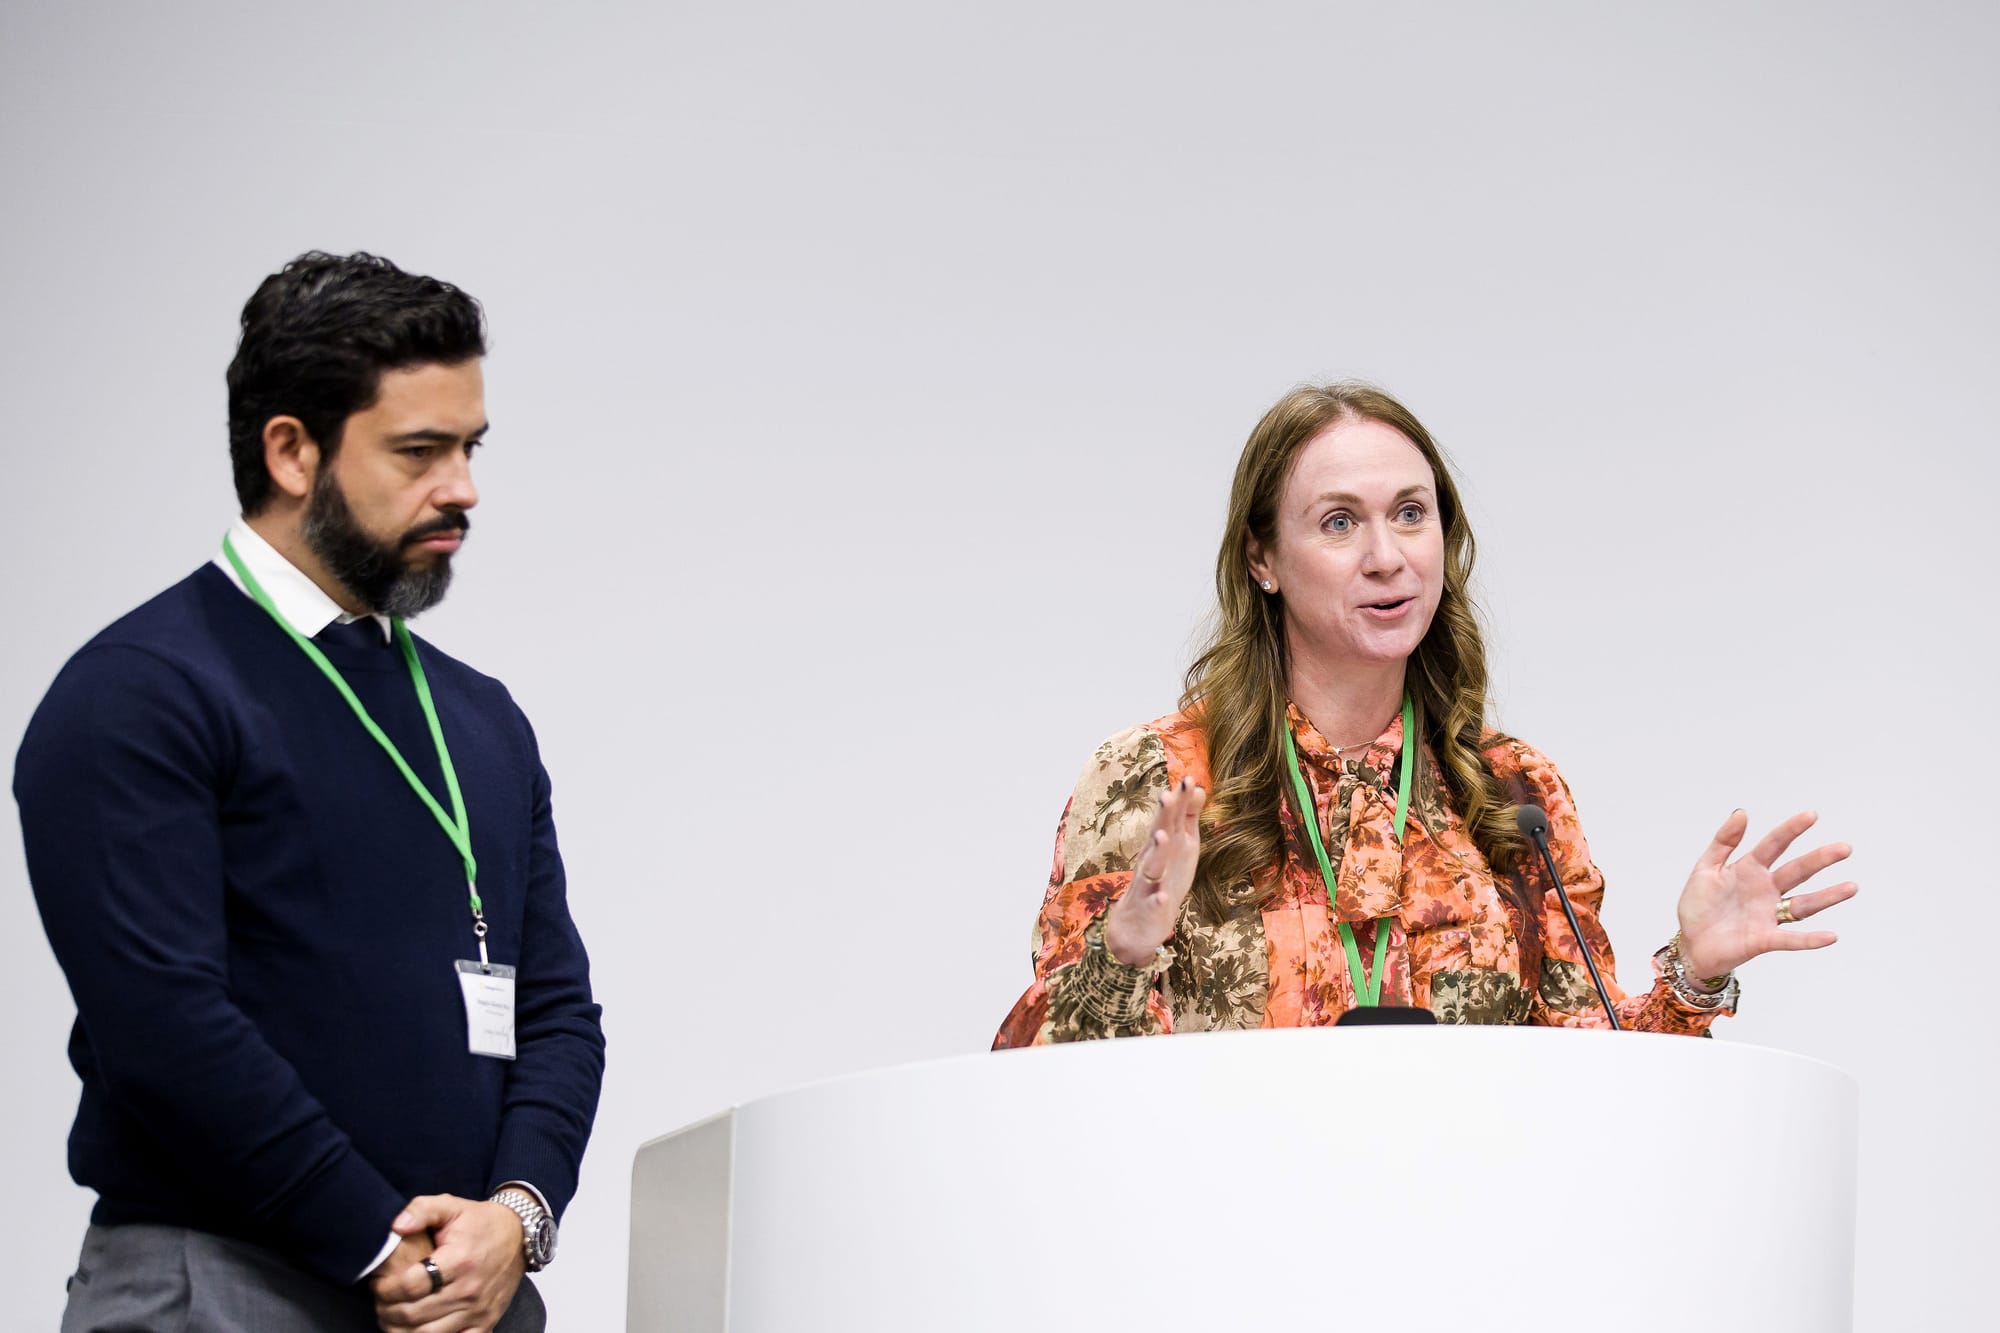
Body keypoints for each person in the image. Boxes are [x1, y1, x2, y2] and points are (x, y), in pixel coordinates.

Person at [15, 252, 605, 1332]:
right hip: (229, 1287)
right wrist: (376, 1240)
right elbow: (165, 1030)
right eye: (419, 451)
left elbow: (556, 1012)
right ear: (291, 450)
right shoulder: (139, 693)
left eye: (469, 448)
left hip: (465, 1300)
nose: (463, 487)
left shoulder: (482, 719)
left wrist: (514, 1219)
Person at [994, 382, 1855, 1047]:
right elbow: (1047, 1089)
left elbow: (1590, 1088)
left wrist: (1692, 974)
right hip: (1231, 1251)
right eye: (1339, 522)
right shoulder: (1159, 777)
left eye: (1411, 513)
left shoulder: (1513, 789)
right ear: (1263, 558)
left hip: (1463, 1257)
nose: (1386, 557)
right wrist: (1127, 948)